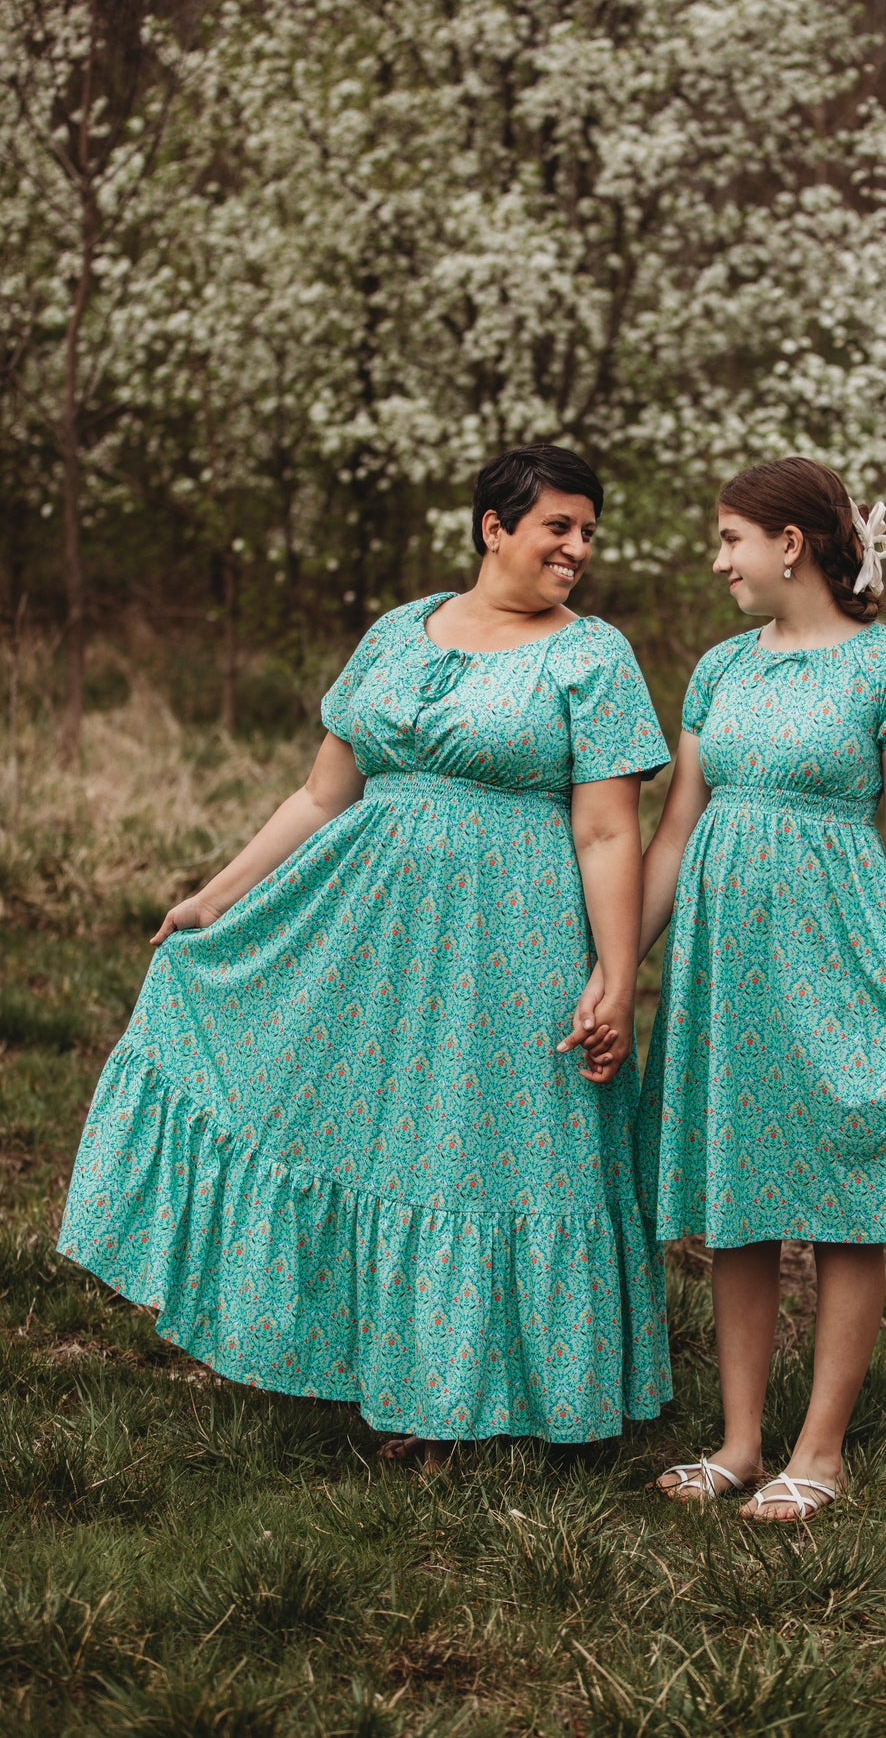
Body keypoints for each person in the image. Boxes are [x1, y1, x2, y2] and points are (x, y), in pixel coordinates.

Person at [58, 443, 672, 1463]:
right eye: (559, 526)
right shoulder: (398, 632)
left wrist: (615, 973)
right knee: (380, 1135)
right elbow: (321, 793)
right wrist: (216, 897)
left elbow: (609, 831)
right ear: (494, 528)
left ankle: (476, 1403)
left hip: (510, 936)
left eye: (589, 532)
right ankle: (375, 1364)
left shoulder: (591, 655)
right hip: (366, 928)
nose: (578, 548)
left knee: (479, 1147)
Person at [565, 456, 886, 1522]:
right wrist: (618, 967)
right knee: (740, 1197)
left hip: (844, 951)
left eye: (730, 539)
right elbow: (673, 832)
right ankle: (739, 1441)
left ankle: (821, 1451)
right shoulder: (720, 669)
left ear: (791, 544)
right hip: (730, 970)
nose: (719, 559)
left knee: (848, 1199)